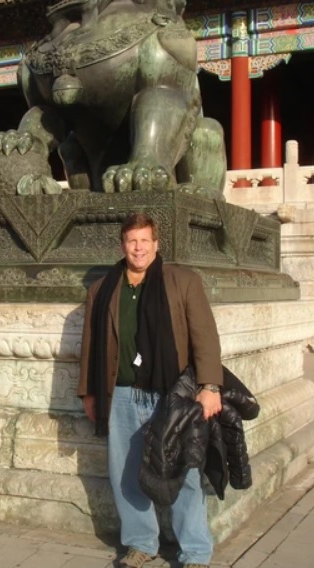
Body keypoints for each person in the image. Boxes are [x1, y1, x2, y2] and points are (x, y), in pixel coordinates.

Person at [78, 213, 223, 568]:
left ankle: (196, 552)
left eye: (145, 240)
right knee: (125, 475)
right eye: (132, 241)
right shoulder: (102, 289)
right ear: (122, 245)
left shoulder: (183, 281)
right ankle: (140, 543)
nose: (138, 248)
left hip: (171, 394)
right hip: (121, 394)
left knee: (184, 472)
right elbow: (90, 345)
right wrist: (90, 393)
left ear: (156, 245)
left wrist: (210, 386)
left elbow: (204, 336)